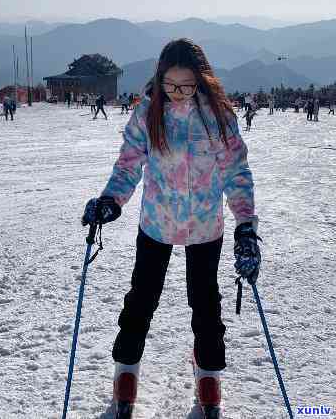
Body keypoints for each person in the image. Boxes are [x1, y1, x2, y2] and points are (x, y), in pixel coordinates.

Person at [82, 38, 260, 418]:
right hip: (157, 224)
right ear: (160, 79)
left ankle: (209, 378)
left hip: (203, 227)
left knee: (206, 305)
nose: (178, 94)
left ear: (202, 81)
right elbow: (128, 165)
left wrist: (246, 225)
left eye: (186, 86)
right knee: (141, 299)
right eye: (171, 85)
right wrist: (111, 201)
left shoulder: (219, 116)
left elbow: (236, 172)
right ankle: (126, 374)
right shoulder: (148, 113)